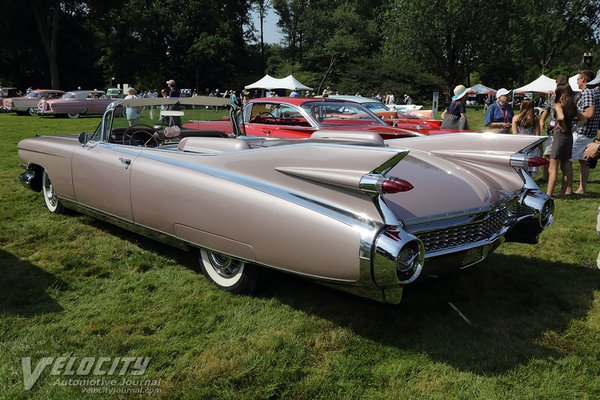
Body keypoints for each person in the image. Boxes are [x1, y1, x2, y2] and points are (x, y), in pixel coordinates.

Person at [567, 70, 600, 195]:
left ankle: (568, 189)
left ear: (583, 80)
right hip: (590, 133)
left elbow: (589, 113)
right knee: (583, 161)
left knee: (567, 160)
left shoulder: (588, 92)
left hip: (582, 132)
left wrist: (571, 115)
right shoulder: (596, 92)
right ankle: (582, 189)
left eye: (578, 78)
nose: (576, 81)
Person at [546, 84, 579, 197]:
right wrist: (575, 127)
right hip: (569, 136)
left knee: (553, 167)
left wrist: (561, 124)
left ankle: (548, 194)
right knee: (566, 166)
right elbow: (583, 118)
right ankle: (562, 192)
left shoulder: (559, 104)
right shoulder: (572, 106)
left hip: (560, 136)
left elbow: (560, 117)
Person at [539, 75, 569, 181]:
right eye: (557, 83)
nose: (558, 85)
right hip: (551, 131)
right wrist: (542, 121)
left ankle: (551, 178)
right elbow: (547, 110)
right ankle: (546, 177)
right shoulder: (553, 96)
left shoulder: (570, 96)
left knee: (556, 157)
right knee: (548, 155)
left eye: (561, 83)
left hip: (562, 132)